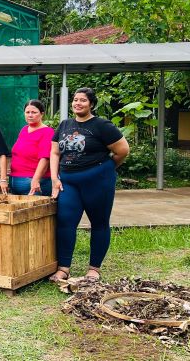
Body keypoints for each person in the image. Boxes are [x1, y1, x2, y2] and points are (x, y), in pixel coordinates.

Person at [49, 88, 129, 283]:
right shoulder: (65, 125)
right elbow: (55, 153)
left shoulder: (102, 125)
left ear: (91, 104)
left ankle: (94, 269)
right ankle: (63, 268)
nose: (78, 103)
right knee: (66, 222)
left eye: (83, 100)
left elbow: (122, 150)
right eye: (75, 100)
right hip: (69, 182)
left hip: (98, 182)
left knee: (99, 223)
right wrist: (54, 178)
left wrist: (105, 169)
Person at [10, 99, 54, 196]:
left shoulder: (47, 132)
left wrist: (36, 179)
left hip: (34, 183)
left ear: (41, 114)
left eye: (34, 112)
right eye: (27, 112)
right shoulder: (24, 130)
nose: (30, 115)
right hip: (15, 179)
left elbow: (45, 159)